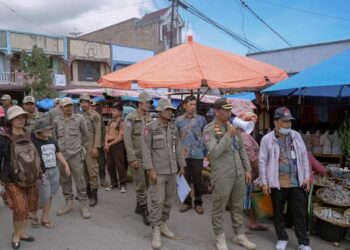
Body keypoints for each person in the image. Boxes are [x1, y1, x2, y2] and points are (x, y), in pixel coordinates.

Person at [203, 98, 256, 250]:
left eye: (229, 110)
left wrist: (247, 169)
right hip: (222, 174)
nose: (228, 113)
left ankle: (239, 235)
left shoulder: (232, 126)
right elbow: (213, 153)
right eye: (225, 110)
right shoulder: (209, 130)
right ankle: (219, 237)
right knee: (219, 206)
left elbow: (241, 150)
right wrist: (228, 136)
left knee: (238, 205)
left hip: (238, 172)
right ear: (216, 111)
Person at [259, 107, 311, 250]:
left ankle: (303, 242)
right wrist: (264, 182)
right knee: (278, 212)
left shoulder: (296, 136)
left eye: (290, 122)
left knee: (299, 212)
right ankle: (282, 238)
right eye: (285, 121)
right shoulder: (267, 139)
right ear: (276, 122)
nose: (288, 125)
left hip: (296, 181)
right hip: (278, 183)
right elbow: (262, 161)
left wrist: (306, 177)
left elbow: (304, 157)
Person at [142, 98, 186, 250]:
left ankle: (163, 224)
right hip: (158, 172)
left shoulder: (173, 128)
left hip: (172, 170)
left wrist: (182, 165)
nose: (170, 112)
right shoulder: (150, 128)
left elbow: (178, 147)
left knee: (168, 201)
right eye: (167, 110)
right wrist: (150, 170)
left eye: (171, 110)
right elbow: (146, 150)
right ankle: (155, 229)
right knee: (157, 201)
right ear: (160, 111)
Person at [0, 105, 41, 249]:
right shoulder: (4, 138)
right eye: (17, 117)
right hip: (12, 180)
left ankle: (22, 233)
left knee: (29, 207)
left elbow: (37, 154)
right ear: (10, 120)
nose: (20, 119)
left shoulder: (30, 134)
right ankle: (16, 235)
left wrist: (40, 171)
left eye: (22, 117)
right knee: (21, 209)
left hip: (31, 177)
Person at [52, 97, 91, 219]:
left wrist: (79, 146)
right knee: (64, 180)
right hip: (62, 156)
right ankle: (68, 202)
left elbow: (86, 135)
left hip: (75, 155)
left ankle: (84, 204)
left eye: (70, 105)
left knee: (80, 180)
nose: (69, 108)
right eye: (66, 106)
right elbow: (55, 138)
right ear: (61, 108)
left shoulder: (79, 120)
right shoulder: (57, 121)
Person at [30, 118, 71, 229]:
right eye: (46, 130)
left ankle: (40, 215)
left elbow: (58, 153)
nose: (49, 131)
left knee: (50, 196)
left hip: (54, 171)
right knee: (46, 196)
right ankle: (36, 214)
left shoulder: (52, 140)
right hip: (42, 173)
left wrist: (66, 165)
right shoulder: (32, 142)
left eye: (49, 129)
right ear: (38, 131)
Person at [124, 91, 153, 225]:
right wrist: (132, 158)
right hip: (137, 157)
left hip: (148, 157)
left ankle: (138, 206)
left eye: (149, 102)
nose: (149, 105)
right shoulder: (131, 118)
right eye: (147, 102)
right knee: (140, 184)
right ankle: (145, 210)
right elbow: (127, 138)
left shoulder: (149, 118)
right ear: (140, 103)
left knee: (147, 184)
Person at [175, 96, 207, 214]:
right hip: (184, 155)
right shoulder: (178, 121)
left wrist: (206, 153)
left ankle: (198, 202)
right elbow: (176, 138)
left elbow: (206, 136)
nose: (193, 107)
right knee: (185, 179)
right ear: (185, 105)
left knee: (198, 179)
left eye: (194, 104)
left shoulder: (201, 120)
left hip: (198, 154)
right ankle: (187, 202)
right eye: (191, 104)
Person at [238, 112, 268, 231]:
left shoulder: (244, 134)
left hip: (247, 172)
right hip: (248, 173)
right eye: (250, 121)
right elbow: (252, 158)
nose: (253, 124)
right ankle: (241, 225)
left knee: (246, 198)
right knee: (245, 198)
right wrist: (259, 173)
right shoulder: (244, 136)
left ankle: (252, 222)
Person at [80, 94, 102, 207]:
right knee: (84, 172)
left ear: (89, 103)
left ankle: (94, 195)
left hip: (90, 147)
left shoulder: (94, 115)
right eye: (82, 102)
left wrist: (95, 147)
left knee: (92, 171)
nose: (83, 104)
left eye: (86, 102)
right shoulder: (78, 115)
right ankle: (87, 192)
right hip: (81, 147)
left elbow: (98, 132)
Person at [105, 103, 127, 193]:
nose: (112, 112)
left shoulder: (122, 122)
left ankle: (123, 184)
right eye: (112, 110)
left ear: (120, 112)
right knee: (110, 166)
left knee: (120, 165)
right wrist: (106, 143)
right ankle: (113, 183)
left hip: (117, 145)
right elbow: (107, 133)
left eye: (114, 110)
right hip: (109, 144)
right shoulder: (110, 121)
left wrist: (109, 144)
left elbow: (120, 137)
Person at [91, 100, 108, 187]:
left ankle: (102, 179)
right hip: (88, 144)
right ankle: (90, 182)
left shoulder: (99, 116)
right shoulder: (82, 117)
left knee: (101, 163)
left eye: (95, 106)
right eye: (92, 105)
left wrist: (104, 142)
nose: (93, 107)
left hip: (99, 144)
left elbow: (103, 131)